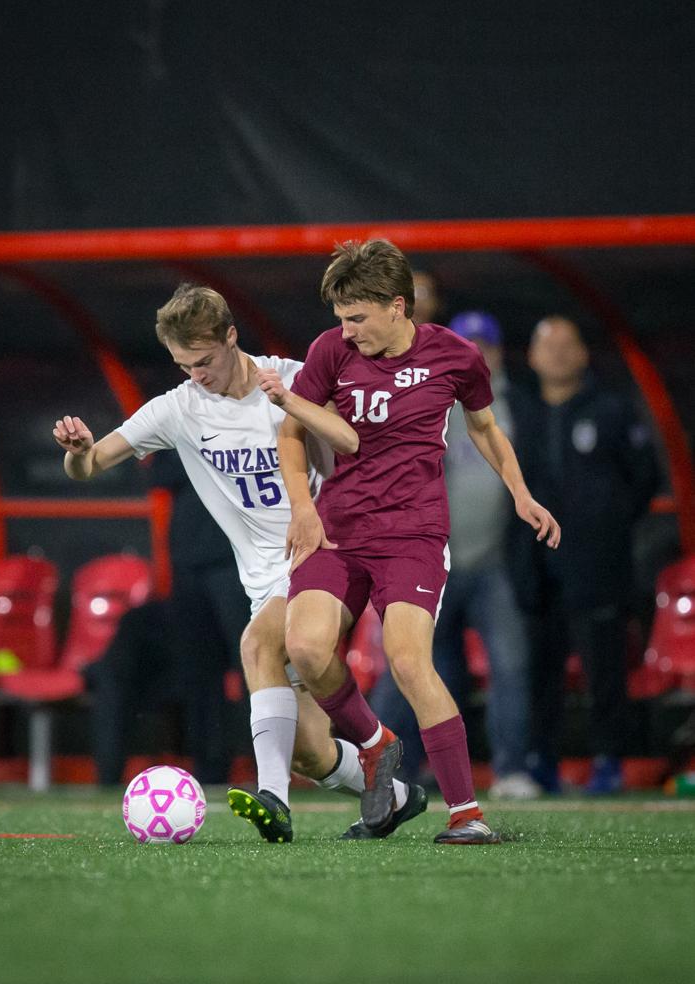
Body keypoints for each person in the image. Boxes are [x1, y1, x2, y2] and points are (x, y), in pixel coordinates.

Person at [53, 284, 421, 842]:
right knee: (307, 750)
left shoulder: (297, 379)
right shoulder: (179, 408)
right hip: (264, 581)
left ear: (232, 337)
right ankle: (397, 795)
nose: (196, 375)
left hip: (327, 561)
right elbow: (91, 465)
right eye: (183, 365)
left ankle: (273, 799)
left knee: (255, 643)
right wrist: (78, 453)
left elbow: (359, 444)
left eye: (204, 361)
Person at [259, 239, 560, 845]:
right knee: (307, 649)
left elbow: (485, 428)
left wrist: (521, 494)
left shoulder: (455, 356)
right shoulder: (331, 351)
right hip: (338, 531)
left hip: (413, 535)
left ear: (399, 307)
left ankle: (467, 815)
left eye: (357, 318)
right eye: (340, 318)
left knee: (408, 660)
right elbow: (291, 435)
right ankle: (376, 746)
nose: (346, 330)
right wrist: (303, 509)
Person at [370, 310, 540, 799]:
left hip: (494, 562)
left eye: (484, 346)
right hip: (429, 563)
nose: (476, 353)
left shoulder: (516, 406)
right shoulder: (425, 399)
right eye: (467, 345)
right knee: (409, 668)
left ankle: (511, 770)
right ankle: (386, 771)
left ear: (497, 352)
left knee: (510, 664)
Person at [508, 316, 660, 794]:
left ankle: (609, 761)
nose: (556, 355)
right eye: (546, 346)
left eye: (566, 345)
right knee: (541, 671)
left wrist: (605, 525)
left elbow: (644, 479)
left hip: (596, 565)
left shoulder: (612, 410)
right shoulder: (520, 415)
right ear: (531, 357)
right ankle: (540, 764)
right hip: (537, 566)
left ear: (583, 354)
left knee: (603, 671)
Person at [86, 450, 251, 787]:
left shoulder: (250, 417)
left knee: (253, 667)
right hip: (188, 561)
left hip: (239, 560)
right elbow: (157, 475)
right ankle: (211, 773)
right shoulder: (183, 414)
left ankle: (272, 772)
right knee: (200, 676)